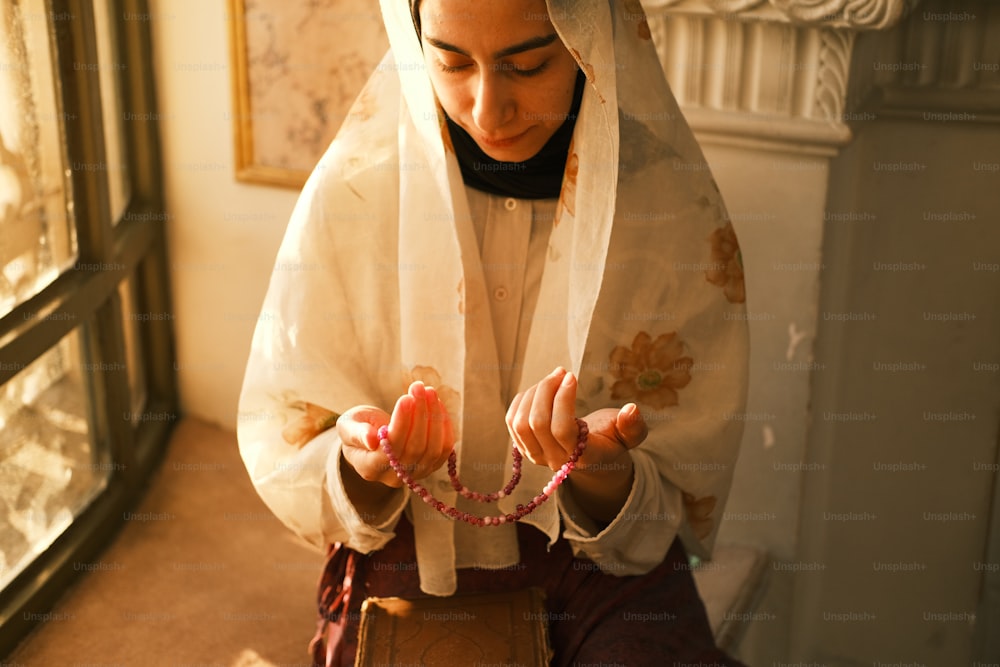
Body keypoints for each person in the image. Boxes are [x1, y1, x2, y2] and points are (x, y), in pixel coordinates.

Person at [238, 0, 750, 664]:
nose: (486, 109)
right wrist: (366, 466)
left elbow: (678, 489)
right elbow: (289, 437)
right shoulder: (356, 196)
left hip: (603, 570)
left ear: (589, 41)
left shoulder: (671, 214)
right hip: (409, 548)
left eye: (529, 64)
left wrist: (602, 472)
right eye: (450, 61)